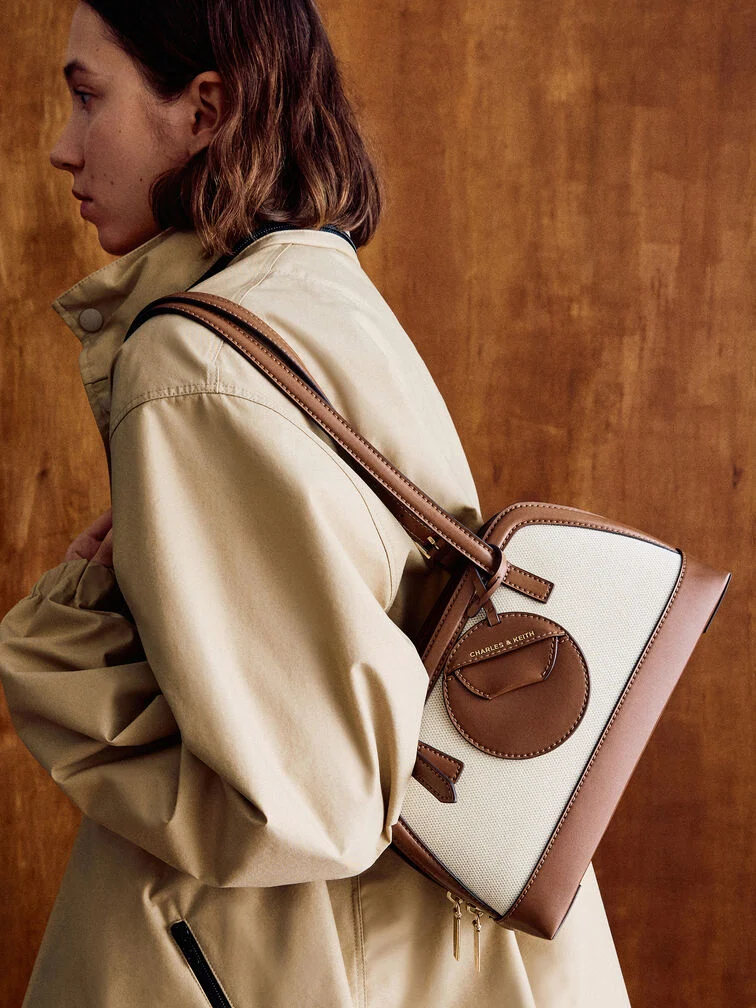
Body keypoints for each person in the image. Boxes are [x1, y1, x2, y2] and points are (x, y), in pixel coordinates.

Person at [0, 2, 632, 1005]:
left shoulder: (188, 363)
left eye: (88, 97)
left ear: (205, 109)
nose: (62, 147)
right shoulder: (313, 283)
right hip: (445, 936)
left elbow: (310, 804)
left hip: (311, 955)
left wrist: (58, 648)